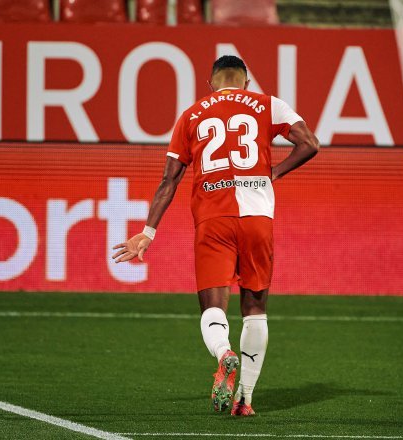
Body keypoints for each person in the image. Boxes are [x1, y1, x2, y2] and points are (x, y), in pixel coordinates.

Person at [112, 55, 319, 416]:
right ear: (246, 83)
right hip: (257, 218)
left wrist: (147, 232)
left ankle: (224, 353)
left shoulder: (192, 114)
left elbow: (170, 179)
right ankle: (246, 399)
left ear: (211, 84)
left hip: (213, 219)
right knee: (255, 308)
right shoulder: (269, 104)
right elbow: (310, 143)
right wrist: (275, 173)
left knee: (212, 306)